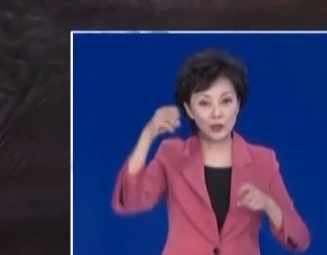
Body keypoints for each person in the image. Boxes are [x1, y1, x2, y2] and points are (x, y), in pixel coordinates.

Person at [113, 49, 311, 255]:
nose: (217, 113)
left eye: (226, 101)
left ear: (238, 104)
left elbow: (300, 240)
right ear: (189, 109)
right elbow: (131, 201)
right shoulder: (172, 155)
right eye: (204, 103)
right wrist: (149, 134)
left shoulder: (263, 161)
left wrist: (270, 206)